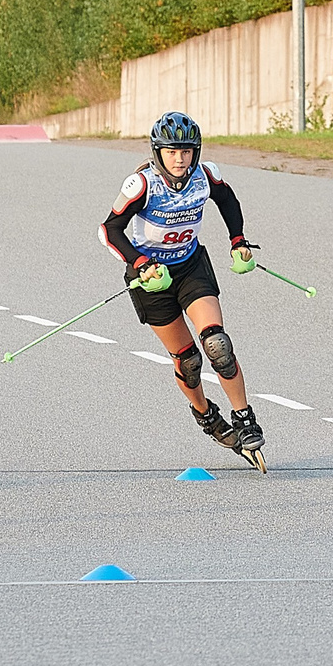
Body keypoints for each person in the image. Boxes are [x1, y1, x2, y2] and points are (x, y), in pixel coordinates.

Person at [99, 110, 266, 469]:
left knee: (217, 345)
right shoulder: (141, 185)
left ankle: (244, 417)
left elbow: (228, 202)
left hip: (190, 266)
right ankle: (206, 414)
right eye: (172, 151)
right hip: (151, 281)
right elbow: (109, 230)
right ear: (158, 153)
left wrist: (238, 239)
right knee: (189, 360)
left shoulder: (205, 177)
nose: (180, 159)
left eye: (187, 151)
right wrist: (140, 262)